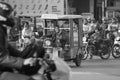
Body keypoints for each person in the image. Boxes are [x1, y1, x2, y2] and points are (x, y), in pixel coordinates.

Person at [0, 2, 38, 80]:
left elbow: (10, 50)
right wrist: (22, 62)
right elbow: (1, 58)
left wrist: (27, 56)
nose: (12, 17)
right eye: (8, 14)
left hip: (4, 67)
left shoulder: (2, 30)